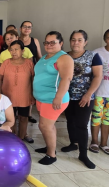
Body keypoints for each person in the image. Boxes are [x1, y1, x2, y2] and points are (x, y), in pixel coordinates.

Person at [61, 30, 102, 169]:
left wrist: (88, 94)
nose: (76, 42)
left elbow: (97, 76)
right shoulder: (64, 56)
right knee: (70, 121)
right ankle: (73, 143)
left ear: (85, 42)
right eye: (73, 39)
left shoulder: (93, 56)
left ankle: (83, 154)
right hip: (67, 96)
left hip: (85, 97)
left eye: (79, 40)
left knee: (81, 124)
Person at [33, 31, 74, 165]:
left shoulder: (63, 58)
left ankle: (51, 154)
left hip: (53, 99)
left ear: (61, 43)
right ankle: (49, 146)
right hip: (42, 98)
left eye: (53, 42)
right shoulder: (45, 57)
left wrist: (58, 97)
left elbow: (66, 78)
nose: (49, 45)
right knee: (47, 126)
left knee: (45, 126)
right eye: (47, 42)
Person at [0, 40, 35, 143]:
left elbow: (33, 79)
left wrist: (33, 94)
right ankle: (12, 138)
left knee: (23, 117)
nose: (13, 52)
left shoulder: (29, 63)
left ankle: (22, 138)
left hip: (25, 95)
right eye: (11, 50)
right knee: (11, 118)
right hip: (8, 96)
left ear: (23, 51)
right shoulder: (6, 63)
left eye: (16, 49)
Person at [19, 21, 41, 124]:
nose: (27, 29)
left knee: (30, 91)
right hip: (19, 71)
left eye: (29, 27)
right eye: (25, 27)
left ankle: (29, 114)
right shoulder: (16, 40)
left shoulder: (34, 41)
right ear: (20, 28)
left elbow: (39, 55)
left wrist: (40, 70)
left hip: (32, 70)